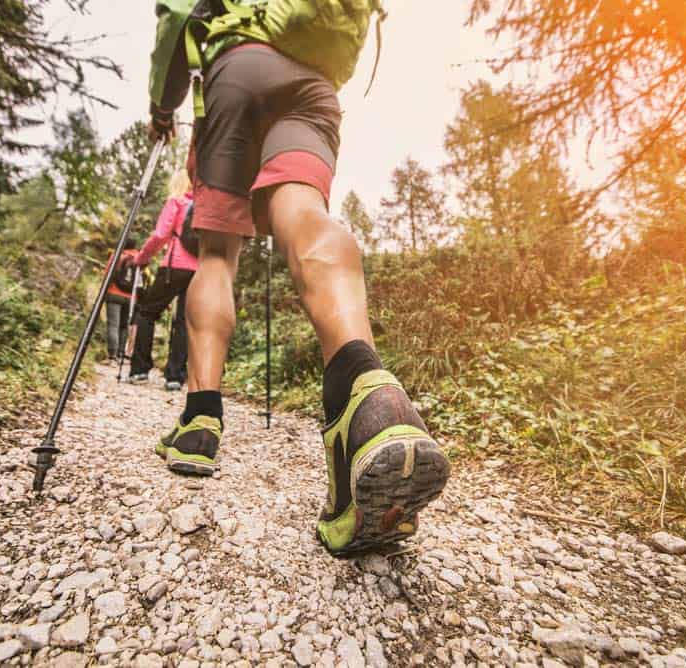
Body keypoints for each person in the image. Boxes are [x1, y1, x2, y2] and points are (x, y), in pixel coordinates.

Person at [147, 1, 451, 557]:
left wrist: (160, 105)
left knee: (217, 255)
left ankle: (200, 418)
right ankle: (367, 389)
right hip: (312, 84)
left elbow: (175, 18)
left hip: (237, 73)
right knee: (305, 213)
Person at [126, 169, 197, 390]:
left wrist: (141, 258)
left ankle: (139, 370)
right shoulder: (205, 206)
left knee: (147, 312)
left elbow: (160, 235)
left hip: (173, 267)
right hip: (200, 270)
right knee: (185, 321)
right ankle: (175, 376)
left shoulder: (176, 202)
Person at [103, 239, 141, 362]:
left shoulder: (117, 255)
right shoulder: (140, 258)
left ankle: (112, 355)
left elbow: (107, 273)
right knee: (124, 326)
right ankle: (120, 353)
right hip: (131, 297)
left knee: (113, 324)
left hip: (114, 293)